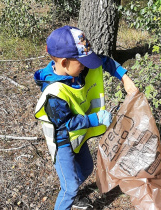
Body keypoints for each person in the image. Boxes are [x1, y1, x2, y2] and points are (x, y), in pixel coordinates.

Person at [34, 25, 138, 210]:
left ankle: (71, 189)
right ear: (64, 63)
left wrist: (125, 79)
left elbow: (104, 62)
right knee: (70, 187)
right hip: (63, 141)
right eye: (81, 62)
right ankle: (70, 193)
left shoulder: (78, 71)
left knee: (87, 168)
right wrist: (95, 119)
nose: (86, 66)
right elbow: (65, 124)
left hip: (78, 137)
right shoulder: (54, 93)